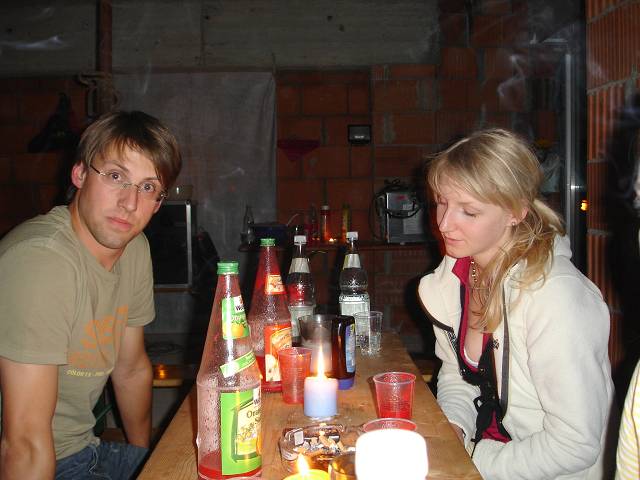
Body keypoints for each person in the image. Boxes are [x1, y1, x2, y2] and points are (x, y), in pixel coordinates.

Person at [418, 128, 616, 479]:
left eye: (469, 212)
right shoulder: (453, 279)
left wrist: (469, 460)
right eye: (441, 203)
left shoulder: (556, 297)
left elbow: (575, 444)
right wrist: (454, 431)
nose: (444, 224)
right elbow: (457, 377)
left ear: (516, 212)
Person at [0, 110, 182, 479]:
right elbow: (25, 445)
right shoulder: (40, 262)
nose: (130, 203)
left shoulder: (134, 249)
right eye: (116, 176)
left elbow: (131, 369)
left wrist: (142, 463)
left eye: (148, 187)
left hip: (84, 449)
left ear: (159, 202)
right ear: (80, 174)